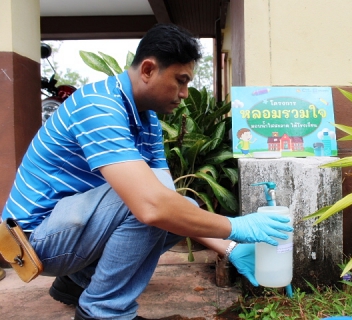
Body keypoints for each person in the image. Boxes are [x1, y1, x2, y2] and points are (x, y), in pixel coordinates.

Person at [1, 24, 292, 320]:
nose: (184, 93)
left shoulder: (147, 120)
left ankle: (79, 282)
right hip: (30, 241)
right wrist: (237, 226)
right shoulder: (99, 106)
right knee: (146, 206)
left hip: (67, 231)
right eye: (180, 81)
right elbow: (153, 206)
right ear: (149, 69)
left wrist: (229, 248)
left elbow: (168, 198)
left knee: (178, 206)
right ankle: (103, 312)